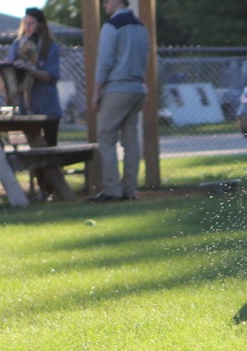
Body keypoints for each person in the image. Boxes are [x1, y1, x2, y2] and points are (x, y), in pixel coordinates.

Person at [88, 0, 149, 203]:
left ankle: (112, 190)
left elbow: (104, 61)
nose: (105, 4)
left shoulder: (112, 26)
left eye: (106, 1)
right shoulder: (141, 27)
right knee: (131, 139)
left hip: (117, 88)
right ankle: (129, 189)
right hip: (138, 88)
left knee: (106, 137)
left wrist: (96, 93)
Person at [6, 7, 62, 147]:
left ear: (41, 25)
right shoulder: (17, 45)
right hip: (27, 110)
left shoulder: (50, 46)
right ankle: (36, 170)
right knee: (35, 148)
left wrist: (31, 69)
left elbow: (50, 77)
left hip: (48, 108)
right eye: (25, 23)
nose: (28, 27)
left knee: (50, 149)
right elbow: (11, 69)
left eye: (31, 23)